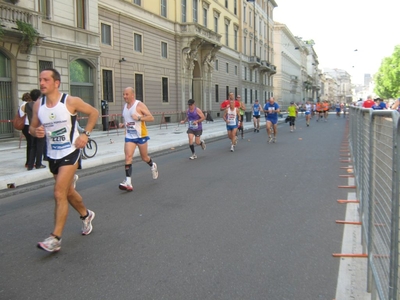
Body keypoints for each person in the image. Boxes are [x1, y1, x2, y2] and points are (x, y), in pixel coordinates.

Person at [30, 68, 99, 252]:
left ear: (56, 83)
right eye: (40, 79)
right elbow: (32, 127)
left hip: (71, 150)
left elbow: (94, 113)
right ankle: (86, 215)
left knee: (59, 192)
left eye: (46, 80)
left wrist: (85, 134)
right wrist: (35, 131)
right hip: (52, 154)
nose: (42, 83)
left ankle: (56, 238)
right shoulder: (39, 104)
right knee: (67, 192)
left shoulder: (70, 101)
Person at [118, 87, 158, 191]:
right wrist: (123, 124)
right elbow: (128, 120)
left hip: (141, 136)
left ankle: (152, 165)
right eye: (123, 94)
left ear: (132, 95)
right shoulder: (125, 107)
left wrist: (139, 118)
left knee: (144, 158)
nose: (124, 96)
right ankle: (128, 182)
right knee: (128, 157)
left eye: (126, 94)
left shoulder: (139, 105)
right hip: (129, 136)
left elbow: (151, 117)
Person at [25, 89, 46, 170]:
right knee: (40, 146)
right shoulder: (39, 105)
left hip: (31, 128)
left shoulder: (27, 105)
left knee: (33, 146)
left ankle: (30, 165)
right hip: (40, 128)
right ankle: (38, 163)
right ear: (38, 96)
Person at [19, 92, 33, 168]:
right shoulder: (25, 105)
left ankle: (29, 161)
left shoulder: (21, 104)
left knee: (30, 144)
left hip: (25, 126)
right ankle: (29, 162)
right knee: (30, 144)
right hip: (27, 125)